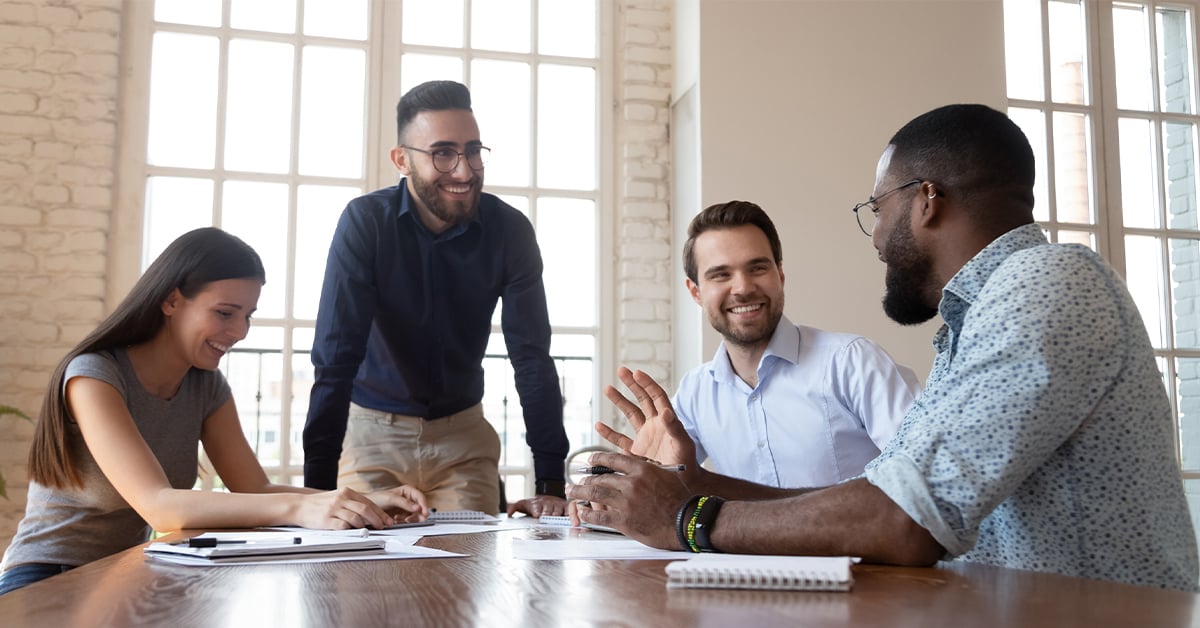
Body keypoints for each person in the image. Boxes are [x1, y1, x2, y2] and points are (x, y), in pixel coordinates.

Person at [571, 104, 1200, 591]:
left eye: (877, 206)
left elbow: (905, 520)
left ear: (927, 199)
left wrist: (690, 518)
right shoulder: (977, 319)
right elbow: (884, 491)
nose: (874, 236)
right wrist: (691, 487)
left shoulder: (1048, 283)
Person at [0, 228, 428, 596]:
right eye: (225, 313)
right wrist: (300, 510)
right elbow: (160, 508)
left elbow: (255, 488)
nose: (239, 332)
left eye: (247, 316)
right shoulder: (93, 377)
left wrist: (361, 503)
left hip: (125, 573)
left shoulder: (205, 386)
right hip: (48, 575)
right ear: (171, 301)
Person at [302, 80, 569, 517]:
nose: (464, 171)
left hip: (462, 440)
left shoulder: (510, 231)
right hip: (371, 437)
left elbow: (532, 357)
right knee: (357, 576)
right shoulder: (365, 224)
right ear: (402, 160)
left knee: (465, 575)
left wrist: (550, 482)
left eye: (473, 151)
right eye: (443, 153)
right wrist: (316, 493)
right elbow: (335, 359)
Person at [604, 200, 920, 488]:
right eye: (720, 275)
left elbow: (929, 476)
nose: (742, 288)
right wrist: (654, 480)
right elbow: (669, 482)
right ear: (696, 292)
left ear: (779, 274)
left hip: (861, 551)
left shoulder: (853, 363)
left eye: (757, 268)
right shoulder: (695, 393)